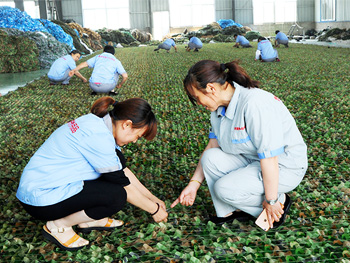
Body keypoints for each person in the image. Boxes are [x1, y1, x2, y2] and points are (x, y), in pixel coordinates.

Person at [16, 96, 168, 251]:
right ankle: (57, 226)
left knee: (118, 164)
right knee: (117, 196)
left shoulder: (97, 123)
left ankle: (89, 220)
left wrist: (153, 199)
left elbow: (122, 172)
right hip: (40, 199)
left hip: (40, 186)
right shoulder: (98, 137)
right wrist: (154, 210)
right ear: (127, 124)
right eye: (138, 135)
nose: (135, 141)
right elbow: (123, 185)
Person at [171, 60, 307, 229]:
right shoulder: (218, 109)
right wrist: (193, 184)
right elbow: (213, 145)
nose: (199, 104)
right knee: (210, 157)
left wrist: (271, 199)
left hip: (284, 165)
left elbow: (270, 158)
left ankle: (278, 203)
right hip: (253, 160)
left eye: (197, 98)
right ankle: (230, 212)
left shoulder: (254, 104)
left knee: (224, 189)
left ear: (211, 89)